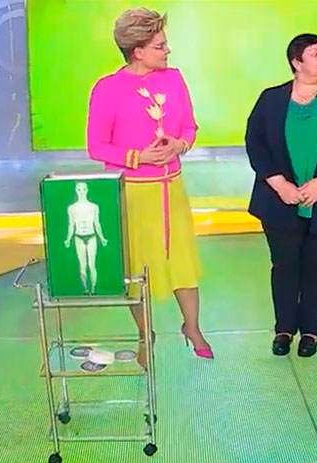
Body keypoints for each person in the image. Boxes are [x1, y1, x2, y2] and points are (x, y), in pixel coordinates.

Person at [86, 8, 213, 365]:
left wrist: (180, 145)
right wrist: (137, 157)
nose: (167, 51)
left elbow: (189, 127)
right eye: (160, 46)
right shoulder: (107, 89)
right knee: (136, 268)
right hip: (132, 195)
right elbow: (97, 146)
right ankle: (145, 333)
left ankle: (192, 327)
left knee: (182, 262)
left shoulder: (174, 79)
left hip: (171, 189)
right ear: (137, 51)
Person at [245, 34, 317, 358]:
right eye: (314, 54)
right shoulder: (271, 100)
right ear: (296, 62)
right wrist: (278, 183)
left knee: (316, 266)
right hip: (278, 201)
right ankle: (284, 329)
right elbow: (255, 143)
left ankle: (311, 331)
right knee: (284, 265)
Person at [64, 182, 108, 294]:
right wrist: (68, 238)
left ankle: (93, 289)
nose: (82, 192)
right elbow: (71, 225)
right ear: (76, 191)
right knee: (82, 266)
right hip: (78, 237)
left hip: (91, 236)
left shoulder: (93, 207)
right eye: (79, 189)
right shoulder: (71, 208)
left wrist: (102, 238)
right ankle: (85, 289)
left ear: (87, 190)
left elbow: (97, 223)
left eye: (84, 189)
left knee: (92, 265)